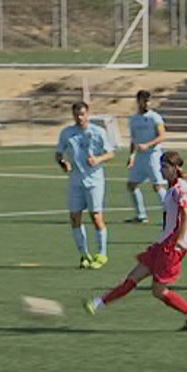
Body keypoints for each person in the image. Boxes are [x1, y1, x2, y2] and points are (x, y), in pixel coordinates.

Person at [84, 151, 187, 329]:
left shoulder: (180, 189)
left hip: (171, 248)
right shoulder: (172, 187)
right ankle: (97, 303)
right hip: (162, 244)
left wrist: (181, 240)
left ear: (175, 168)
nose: (161, 170)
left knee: (158, 291)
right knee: (132, 278)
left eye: (165, 167)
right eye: (161, 166)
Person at [55, 101, 115, 270]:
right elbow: (59, 153)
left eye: (82, 114)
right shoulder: (67, 133)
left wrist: (98, 159)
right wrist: (63, 163)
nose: (79, 118)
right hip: (75, 181)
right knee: (75, 218)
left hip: (94, 181)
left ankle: (102, 254)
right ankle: (84, 255)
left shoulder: (98, 132)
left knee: (96, 217)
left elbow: (111, 153)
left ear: (88, 114)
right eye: (76, 115)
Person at [126, 90, 167, 223]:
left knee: (158, 186)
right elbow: (133, 139)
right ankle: (141, 215)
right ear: (138, 101)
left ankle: (170, 215)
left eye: (149, 101)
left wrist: (148, 145)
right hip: (140, 157)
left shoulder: (155, 117)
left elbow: (162, 136)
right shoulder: (133, 119)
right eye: (144, 101)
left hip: (153, 156)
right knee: (132, 185)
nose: (147, 104)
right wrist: (132, 155)